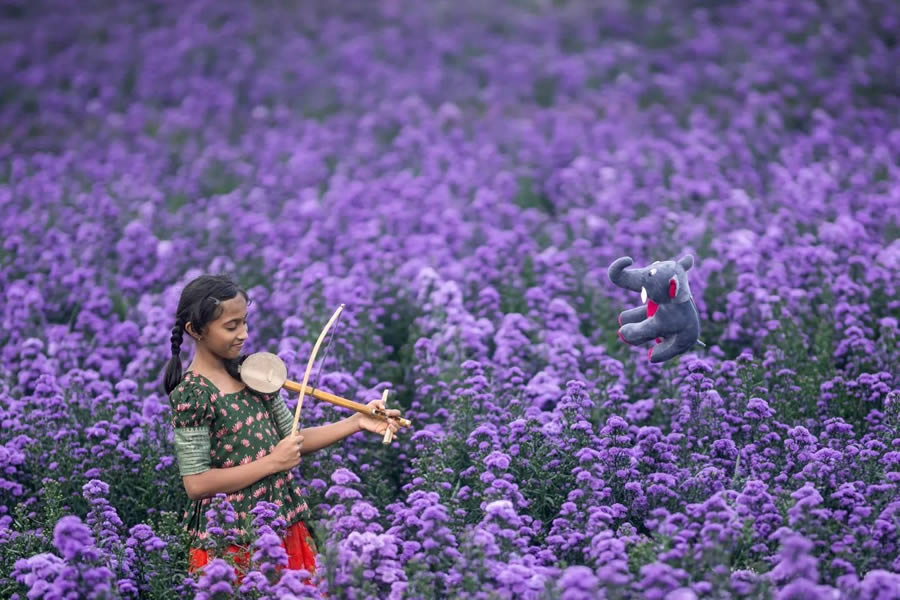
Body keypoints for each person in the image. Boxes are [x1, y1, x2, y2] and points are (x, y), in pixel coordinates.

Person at [163, 274, 400, 574]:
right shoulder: (193, 393)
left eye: (245, 322)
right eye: (231, 326)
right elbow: (197, 484)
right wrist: (273, 462)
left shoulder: (254, 373)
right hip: (231, 538)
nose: (243, 334)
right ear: (195, 330)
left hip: (282, 521)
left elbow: (294, 439)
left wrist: (357, 421)